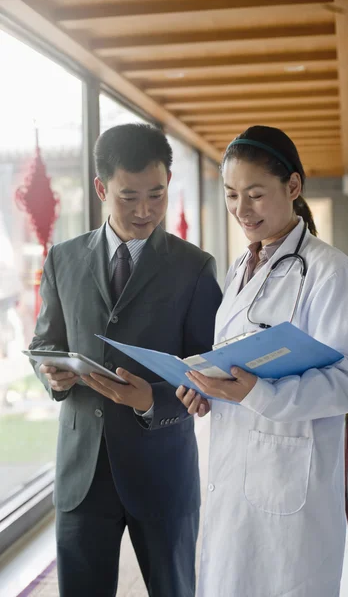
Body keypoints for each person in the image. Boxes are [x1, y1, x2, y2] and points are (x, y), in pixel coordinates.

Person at [176, 125, 348, 597]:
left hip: (290, 482)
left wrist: (257, 392)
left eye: (255, 194)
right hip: (234, 475)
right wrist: (205, 391)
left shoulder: (329, 272)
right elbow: (232, 363)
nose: (241, 210)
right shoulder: (240, 267)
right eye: (230, 195)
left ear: (293, 187)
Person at [29, 123, 222, 597]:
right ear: (100, 188)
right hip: (82, 474)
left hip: (162, 472)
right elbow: (44, 343)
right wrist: (51, 375)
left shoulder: (194, 267)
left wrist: (151, 401)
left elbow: (211, 373)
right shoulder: (62, 260)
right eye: (128, 196)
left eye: (156, 195)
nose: (144, 211)